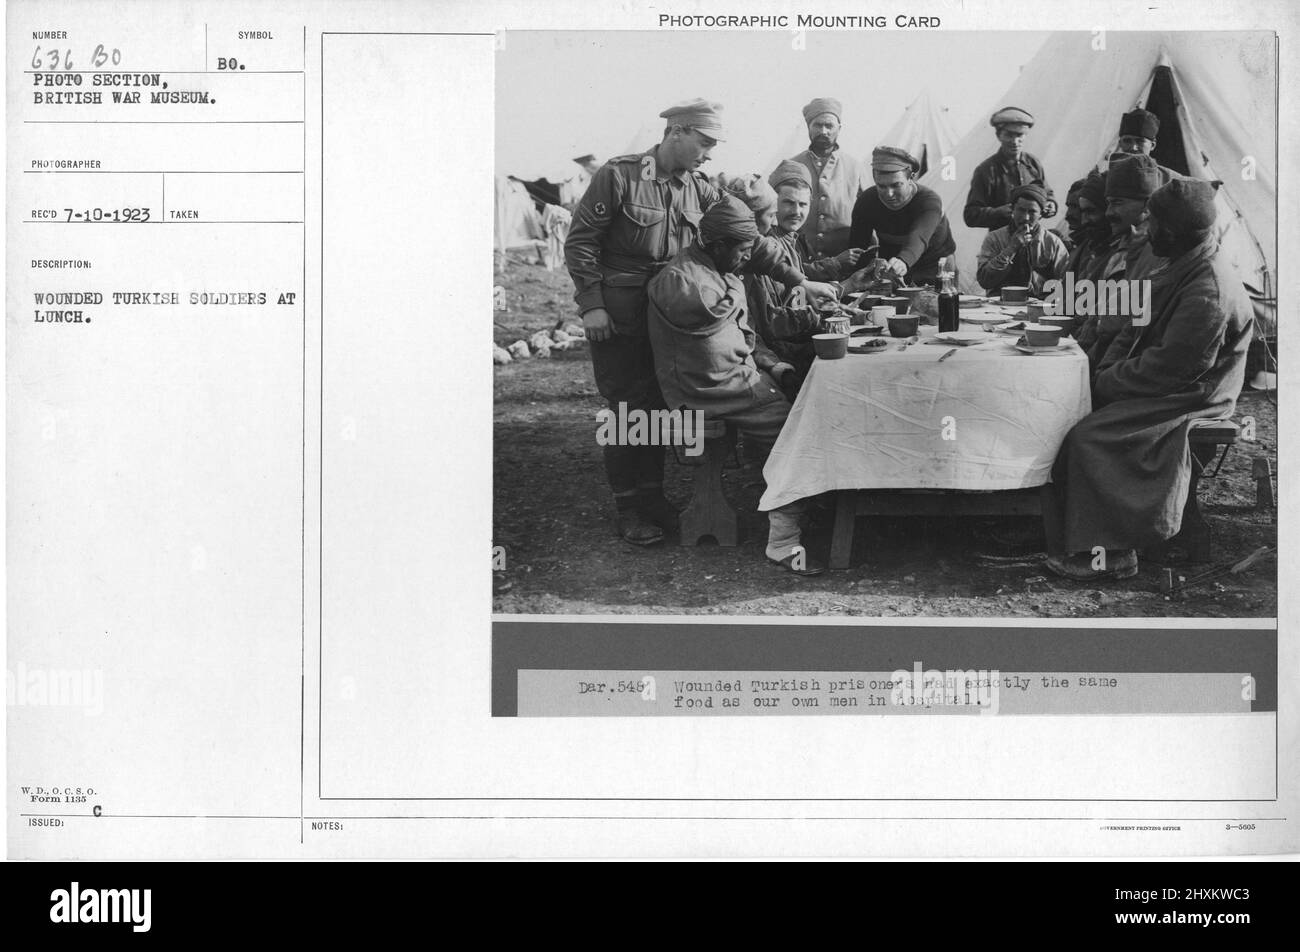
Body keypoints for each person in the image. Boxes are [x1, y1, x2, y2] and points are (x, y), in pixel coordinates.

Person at [564, 99, 838, 547]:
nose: (710, 153)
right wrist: (591, 304)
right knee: (628, 410)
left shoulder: (700, 187)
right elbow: (580, 244)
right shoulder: (619, 176)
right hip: (624, 316)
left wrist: (798, 279)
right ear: (676, 132)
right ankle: (630, 509)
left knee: (658, 404)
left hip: (676, 317)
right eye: (705, 142)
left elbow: (748, 237)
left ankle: (655, 501)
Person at [1045, 178, 1253, 581]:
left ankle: (1113, 553)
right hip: (1165, 381)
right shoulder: (1179, 262)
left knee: (1092, 436)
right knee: (1070, 412)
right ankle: (1072, 529)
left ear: (1170, 231)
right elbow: (1132, 325)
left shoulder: (1207, 287)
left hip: (1195, 394)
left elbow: (1170, 369)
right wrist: (1101, 370)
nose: (1145, 227)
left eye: (1152, 221)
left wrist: (1104, 383)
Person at [647, 196, 825, 576]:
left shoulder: (716, 268)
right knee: (792, 429)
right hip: (706, 389)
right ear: (717, 245)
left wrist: (772, 364)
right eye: (742, 251)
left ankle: (795, 504)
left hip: (730, 379)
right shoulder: (682, 281)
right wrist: (763, 376)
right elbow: (716, 345)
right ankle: (782, 541)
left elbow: (741, 336)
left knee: (801, 403)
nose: (747, 260)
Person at [1074, 154, 1163, 367]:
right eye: (1108, 204)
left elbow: (1121, 330)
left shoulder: (1156, 255)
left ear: (1147, 205)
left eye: (1117, 203)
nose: (1109, 213)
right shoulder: (1123, 248)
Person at [769, 97, 871, 258]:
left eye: (829, 125)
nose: (823, 131)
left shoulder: (855, 168)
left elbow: (870, 214)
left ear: (839, 128)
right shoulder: (791, 165)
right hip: (797, 260)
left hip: (845, 261)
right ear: (808, 127)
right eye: (817, 125)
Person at [846, 146, 956, 288]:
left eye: (896, 185)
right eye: (881, 186)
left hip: (935, 268)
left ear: (911, 178)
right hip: (893, 269)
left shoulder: (929, 201)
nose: (889, 193)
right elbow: (858, 248)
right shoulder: (867, 201)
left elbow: (919, 238)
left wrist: (903, 261)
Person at [964, 107, 1056, 231]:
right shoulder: (986, 170)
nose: (1015, 141)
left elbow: (1047, 192)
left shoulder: (1032, 163)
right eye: (1009, 135)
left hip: (1034, 238)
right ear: (998, 136)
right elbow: (971, 215)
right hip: (1002, 241)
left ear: (1025, 135)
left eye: (1019, 135)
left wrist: (1050, 203)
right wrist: (999, 212)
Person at [974, 184, 1067, 295]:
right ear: (1012, 210)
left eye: (1032, 212)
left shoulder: (1052, 243)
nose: (1025, 217)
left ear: (1041, 214)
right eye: (1021, 210)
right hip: (999, 305)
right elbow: (984, 281)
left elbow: (1065, 281)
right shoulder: (994, 238)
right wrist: (1011, 249)